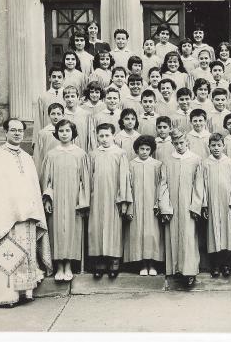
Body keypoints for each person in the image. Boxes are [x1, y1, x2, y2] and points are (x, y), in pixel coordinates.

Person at [0, 118, 52, 308]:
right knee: (5, 257)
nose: (17, 133)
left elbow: (32, 189)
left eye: (20, 130)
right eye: (13, 130)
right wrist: (9, 210)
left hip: (26, 219)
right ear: (5, 132)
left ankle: (23, 293)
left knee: (23, 256)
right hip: (4, 219)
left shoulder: (28, 158)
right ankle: (1, 296)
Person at [42, 119, 90, 281]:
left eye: (67, 131)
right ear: (57, 133)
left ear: (73, 133)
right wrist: (47, 199)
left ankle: (68, 265)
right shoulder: (51, 154)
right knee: (57, 230)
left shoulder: (80, 154)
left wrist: (82, 202)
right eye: (61, 131)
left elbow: (85, 181)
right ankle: (59, 266)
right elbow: (47, 180)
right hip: (56, 198)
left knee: (71, 231)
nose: (64, 134)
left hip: (73, 199)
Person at [124, 135, 172, 276]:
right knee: (138, 234)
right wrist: (129, 207)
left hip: (152, 205)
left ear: (151, 150)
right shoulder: (131, 165)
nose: (144, 152)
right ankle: (142, 265)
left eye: (147, 149)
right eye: (141, 149)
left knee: (152, 235)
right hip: (137, 204)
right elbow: (128, 187)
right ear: (136, 150)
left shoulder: (157, 165)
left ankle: (153, 264)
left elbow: (162, 185)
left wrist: (159, 204)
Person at [88, 123, 132, 279]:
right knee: (97, 228)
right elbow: (88, 179)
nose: (104, 139)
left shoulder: (120, 154)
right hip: (97, 198)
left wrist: (123, 201)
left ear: (113, 136)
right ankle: (99, 262)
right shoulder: (93, 154)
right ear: (97, 137)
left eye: (107, 135)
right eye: (101, 135)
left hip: (114, 198)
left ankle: (114, 262)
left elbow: (124, 178)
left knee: (113, 228)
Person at [164, 128, 203, 287]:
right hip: (173, 205)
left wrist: (196, 206)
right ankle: (176, 270)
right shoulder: (168, 160)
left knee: (188, 237)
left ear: (187, 142)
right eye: (176, 143)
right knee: (173, 236)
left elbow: (198, 184)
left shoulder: (195, 160)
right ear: (172, 144)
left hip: (188, 205)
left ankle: (189, 271)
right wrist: (165, 207)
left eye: (182, 143)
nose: (179, 146)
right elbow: (163, 185)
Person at [201, 133, 231, 278]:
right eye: (213, 145)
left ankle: (226, 265)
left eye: (219, 145)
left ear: (223, 146)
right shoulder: (205, 164)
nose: (216, 148)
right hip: (212, 204)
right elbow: (203, 186)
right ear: (209, 147)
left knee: (227, 234)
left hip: (227, 204)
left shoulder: (230, 163)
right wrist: (204, 205)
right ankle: (214, 265)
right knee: (213, 235)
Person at [32, 66, 65, 146]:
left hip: (65, 135)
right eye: (54, 77)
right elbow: (38, 119)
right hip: (48, 136)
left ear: (64, 79)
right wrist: (36, 140)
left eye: (59, 77)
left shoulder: (68, 96)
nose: (56, 79)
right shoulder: (43, 97)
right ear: (49, 78)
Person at [33, 102, 64, 179]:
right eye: (53, 114)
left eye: (58, 114)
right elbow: (38, 156)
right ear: (48, 115)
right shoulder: (43, 133)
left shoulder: (67, 132)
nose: (55, 117)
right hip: (48, 167)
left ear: (63, 115)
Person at [63, 85, 90, 151]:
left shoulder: (86, 114)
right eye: (67, 97)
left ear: (78, 97)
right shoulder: (62, 115)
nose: (70, 99)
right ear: (64, 98)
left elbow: (90, 137)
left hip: (82, 148)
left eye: (73, 96)